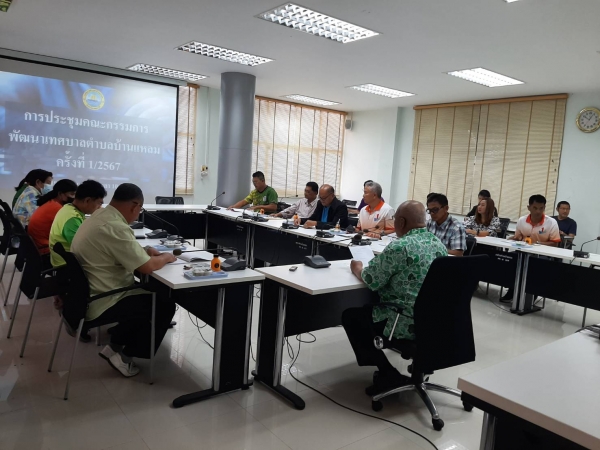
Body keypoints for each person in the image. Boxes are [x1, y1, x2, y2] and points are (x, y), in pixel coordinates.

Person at [71, 183, 176, 377]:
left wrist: (145, 250)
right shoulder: (115, 226)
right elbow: (146, 267)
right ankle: (125, 357)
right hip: (103, 299)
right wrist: (166, 257)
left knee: (148, 294)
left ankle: (114, 347)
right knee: (163, 304)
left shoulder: (100, 215)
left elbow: (115, 249)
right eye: (139, 210)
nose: (137, 215)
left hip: (87, 294)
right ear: (135, 206)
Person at [342, 201, 447, 394]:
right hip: (435, 321)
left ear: (401, 222)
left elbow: (372, 280)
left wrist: (357, 268)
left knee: (352, 316)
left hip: (403, 321)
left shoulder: (400, 246)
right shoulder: (438, 245)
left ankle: (387, 373)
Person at [500, 195, 561, 303]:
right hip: (523, 252)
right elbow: (518, 237)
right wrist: (514, 238)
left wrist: (537, 243)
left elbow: (555, 243)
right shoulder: (522, 220)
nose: (538, 211)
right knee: (510, 259)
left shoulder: (551, 222)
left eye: (541, 208)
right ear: (529, 207)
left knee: (536, 266)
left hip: (542, 254)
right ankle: (512, 289)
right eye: (535, 208)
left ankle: (532, 293)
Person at [49, 180, 107, 268]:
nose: (100, 207)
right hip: (68, 266)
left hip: (68, 261)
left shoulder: (69, 208)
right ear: (87, 200)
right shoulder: (72, 219)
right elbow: (82, 248)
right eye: (99, 203)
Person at [27, 179, 77, 255]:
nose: (74, 197)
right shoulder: (57, 208)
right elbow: (70, 234)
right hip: (44, 250)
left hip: (36, 247)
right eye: (72, 194)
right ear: (60, 194)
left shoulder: (51, 202)